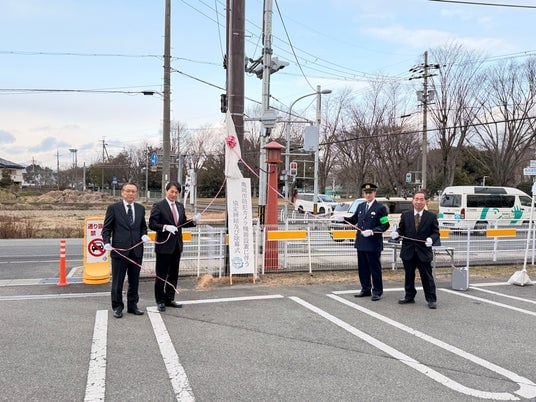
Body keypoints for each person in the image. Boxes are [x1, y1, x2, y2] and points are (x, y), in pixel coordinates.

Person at [149, 182, 200, 312]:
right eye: (171, 191)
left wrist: (193, 221)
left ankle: (170, 298)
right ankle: (160, 300)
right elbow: (152, 224)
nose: (174, 194)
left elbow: (181, 223)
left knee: (173, 274)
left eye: (176, 192)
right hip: (164, 246)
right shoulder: (158, 206)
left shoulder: (180, 206)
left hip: (177, 246)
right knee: (161, 275)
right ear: (166, 191)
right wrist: (165, 227)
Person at [102, 182, 150, 318]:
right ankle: (117, 307)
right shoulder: (113, 208)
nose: (130, 194)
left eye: (133, 191)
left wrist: (144, 234)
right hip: (119, 250)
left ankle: (133, 305)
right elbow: (106, 229)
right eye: (128, 191)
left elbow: (142, 227)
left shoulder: (140, 209)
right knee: (118, 281)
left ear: (136, 193)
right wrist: (106, 242)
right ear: (122, 192)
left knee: (134, 281)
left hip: (136, 250)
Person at [391, 189, 440, 309]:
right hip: (408, 251)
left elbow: (436, 232)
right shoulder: (405, 215)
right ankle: (409, 296)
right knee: (409, 275)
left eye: (421, 199)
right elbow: (401, 229)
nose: (419, 202)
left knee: (427, 276)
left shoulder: (431, 216)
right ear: (412, 201)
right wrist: (397, 233)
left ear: (426, 201)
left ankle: (431, 299)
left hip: (423, 251)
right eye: (416, 199)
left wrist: (431, 239)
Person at [343, 182, 390, 301]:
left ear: (375, 193)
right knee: (363, 268)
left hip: (373, 243)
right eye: (366, 193)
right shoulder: (361, 206)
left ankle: (377, 291)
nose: (368, 195)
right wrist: (342, 219)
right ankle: (365, 289)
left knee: (374, 269)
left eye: (370, 192)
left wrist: (373, 231)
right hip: (361, 242)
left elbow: (385, 225)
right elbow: (353, 219)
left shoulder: (380, 208)